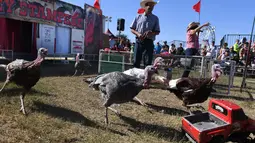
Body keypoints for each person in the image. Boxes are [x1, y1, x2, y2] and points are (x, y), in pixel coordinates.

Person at [130, 0, 160, 68]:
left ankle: (146, 78)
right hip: (139, 41)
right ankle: (135, 77)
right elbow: (132, 29)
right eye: (149, 5)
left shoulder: (155, 18)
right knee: (136, 61)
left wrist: (151, 33)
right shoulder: (138, 17)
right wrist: (138, 34)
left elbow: (157, 31)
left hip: (149, 42)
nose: (150, 7)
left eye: (152, 6)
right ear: (145, 6)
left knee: (148, 63)